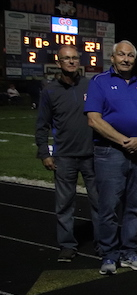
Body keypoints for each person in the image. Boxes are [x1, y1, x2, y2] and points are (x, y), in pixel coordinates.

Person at [85, 40, 137, 275]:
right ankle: (109, 254)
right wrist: (124, 141)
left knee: (134, 206)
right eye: (122, 55)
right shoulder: (99, 81)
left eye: (130, 55)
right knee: (109, 207)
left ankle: (129, 251)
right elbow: (94, 119)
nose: (126, 59)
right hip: (110, 152)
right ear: (113, 57)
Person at [35, 45, 100, 262]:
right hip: (64, 156)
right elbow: (42, 125)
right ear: (58, 62)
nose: (71, 62)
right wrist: (44, 153)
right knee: (64, 204)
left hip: (91, 155)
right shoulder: (50, 91)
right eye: (66, 58)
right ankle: (67, 245)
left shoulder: (91, 85)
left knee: (99, 202)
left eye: (74, 58)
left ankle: (102, 243)